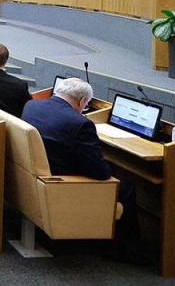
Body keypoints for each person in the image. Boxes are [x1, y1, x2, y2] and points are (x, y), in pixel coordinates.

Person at [22, 78, 140, 257]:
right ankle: (124, 249)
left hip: (37, 174)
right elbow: (100, 174)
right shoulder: (80, 123)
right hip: (63, 184)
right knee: (126, 185)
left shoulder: (32, 106)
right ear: (83, 101)